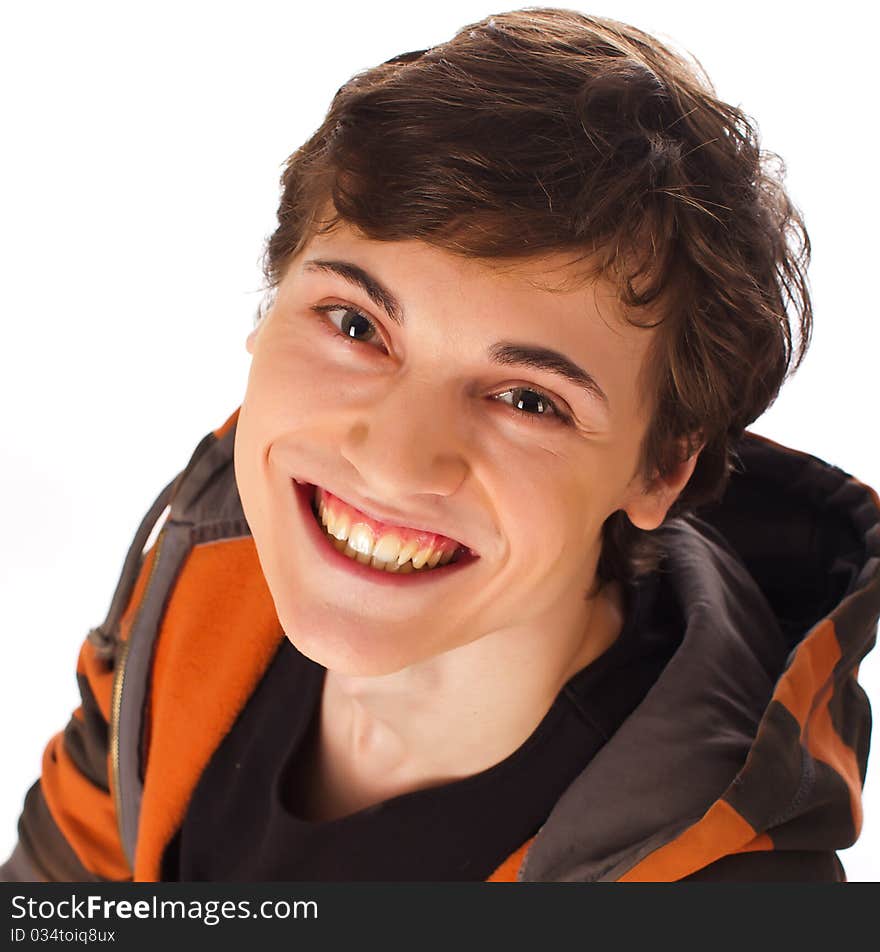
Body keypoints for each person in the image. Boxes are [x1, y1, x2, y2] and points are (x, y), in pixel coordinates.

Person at [2, 7, 878, 883]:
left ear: (661, 469)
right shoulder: (199, 568)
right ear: (266, 311)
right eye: (355, 324)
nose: (391, 461)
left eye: (529, 399)